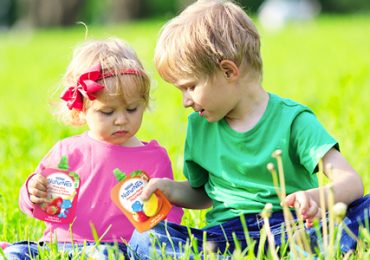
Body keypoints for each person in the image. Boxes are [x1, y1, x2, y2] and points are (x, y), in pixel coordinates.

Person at [128, 0, 369, 258]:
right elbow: (203, 194)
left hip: (293, 228)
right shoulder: (199, 127)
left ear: (228, 71)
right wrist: (171, 190)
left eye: (190, 87)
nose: (186, 101)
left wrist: (315, 198)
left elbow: (351, 182)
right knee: (144, 239)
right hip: (224, 238)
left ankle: (302, 248)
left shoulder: (293, 121)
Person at [4, 37, 183, 259]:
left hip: (117, 249)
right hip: (59, 247)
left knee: (103, 254)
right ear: (82, 109)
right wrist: (33, 192)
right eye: (107, 112)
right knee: (16, 252)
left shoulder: (154, 158)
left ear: (144, 102)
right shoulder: (67, 152)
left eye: (132, 109)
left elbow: (170, 218)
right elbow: (33, 204)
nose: (121, 120)